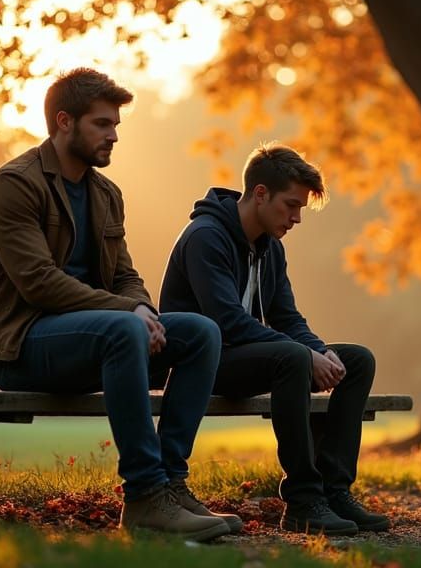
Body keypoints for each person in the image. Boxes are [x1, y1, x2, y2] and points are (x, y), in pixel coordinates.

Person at [0, 68, 236, 541]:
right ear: (64, 122)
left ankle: (170, 485)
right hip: (22, 344)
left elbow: (126, 276)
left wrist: (145, 312)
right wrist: (127, 315)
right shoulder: (15, 185)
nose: (113, 135)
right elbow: (38, 283)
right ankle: (145, 496)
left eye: (116, 125)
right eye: (102, 124)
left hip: (101, 341)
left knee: (200, 332)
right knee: (124, 328)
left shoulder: (106, 193)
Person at [159, 143, 389, 535]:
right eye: (291, 205)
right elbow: (227, 322)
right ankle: (303, 499)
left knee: (357, 360)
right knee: (293, 357)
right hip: (201, 365)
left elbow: (286, 317)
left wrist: (320, 352)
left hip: (252, 358)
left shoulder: (270, 248)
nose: (297, 218)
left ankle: (333, 490)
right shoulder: (206, 237)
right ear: (260, 193)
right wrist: (304, 355)